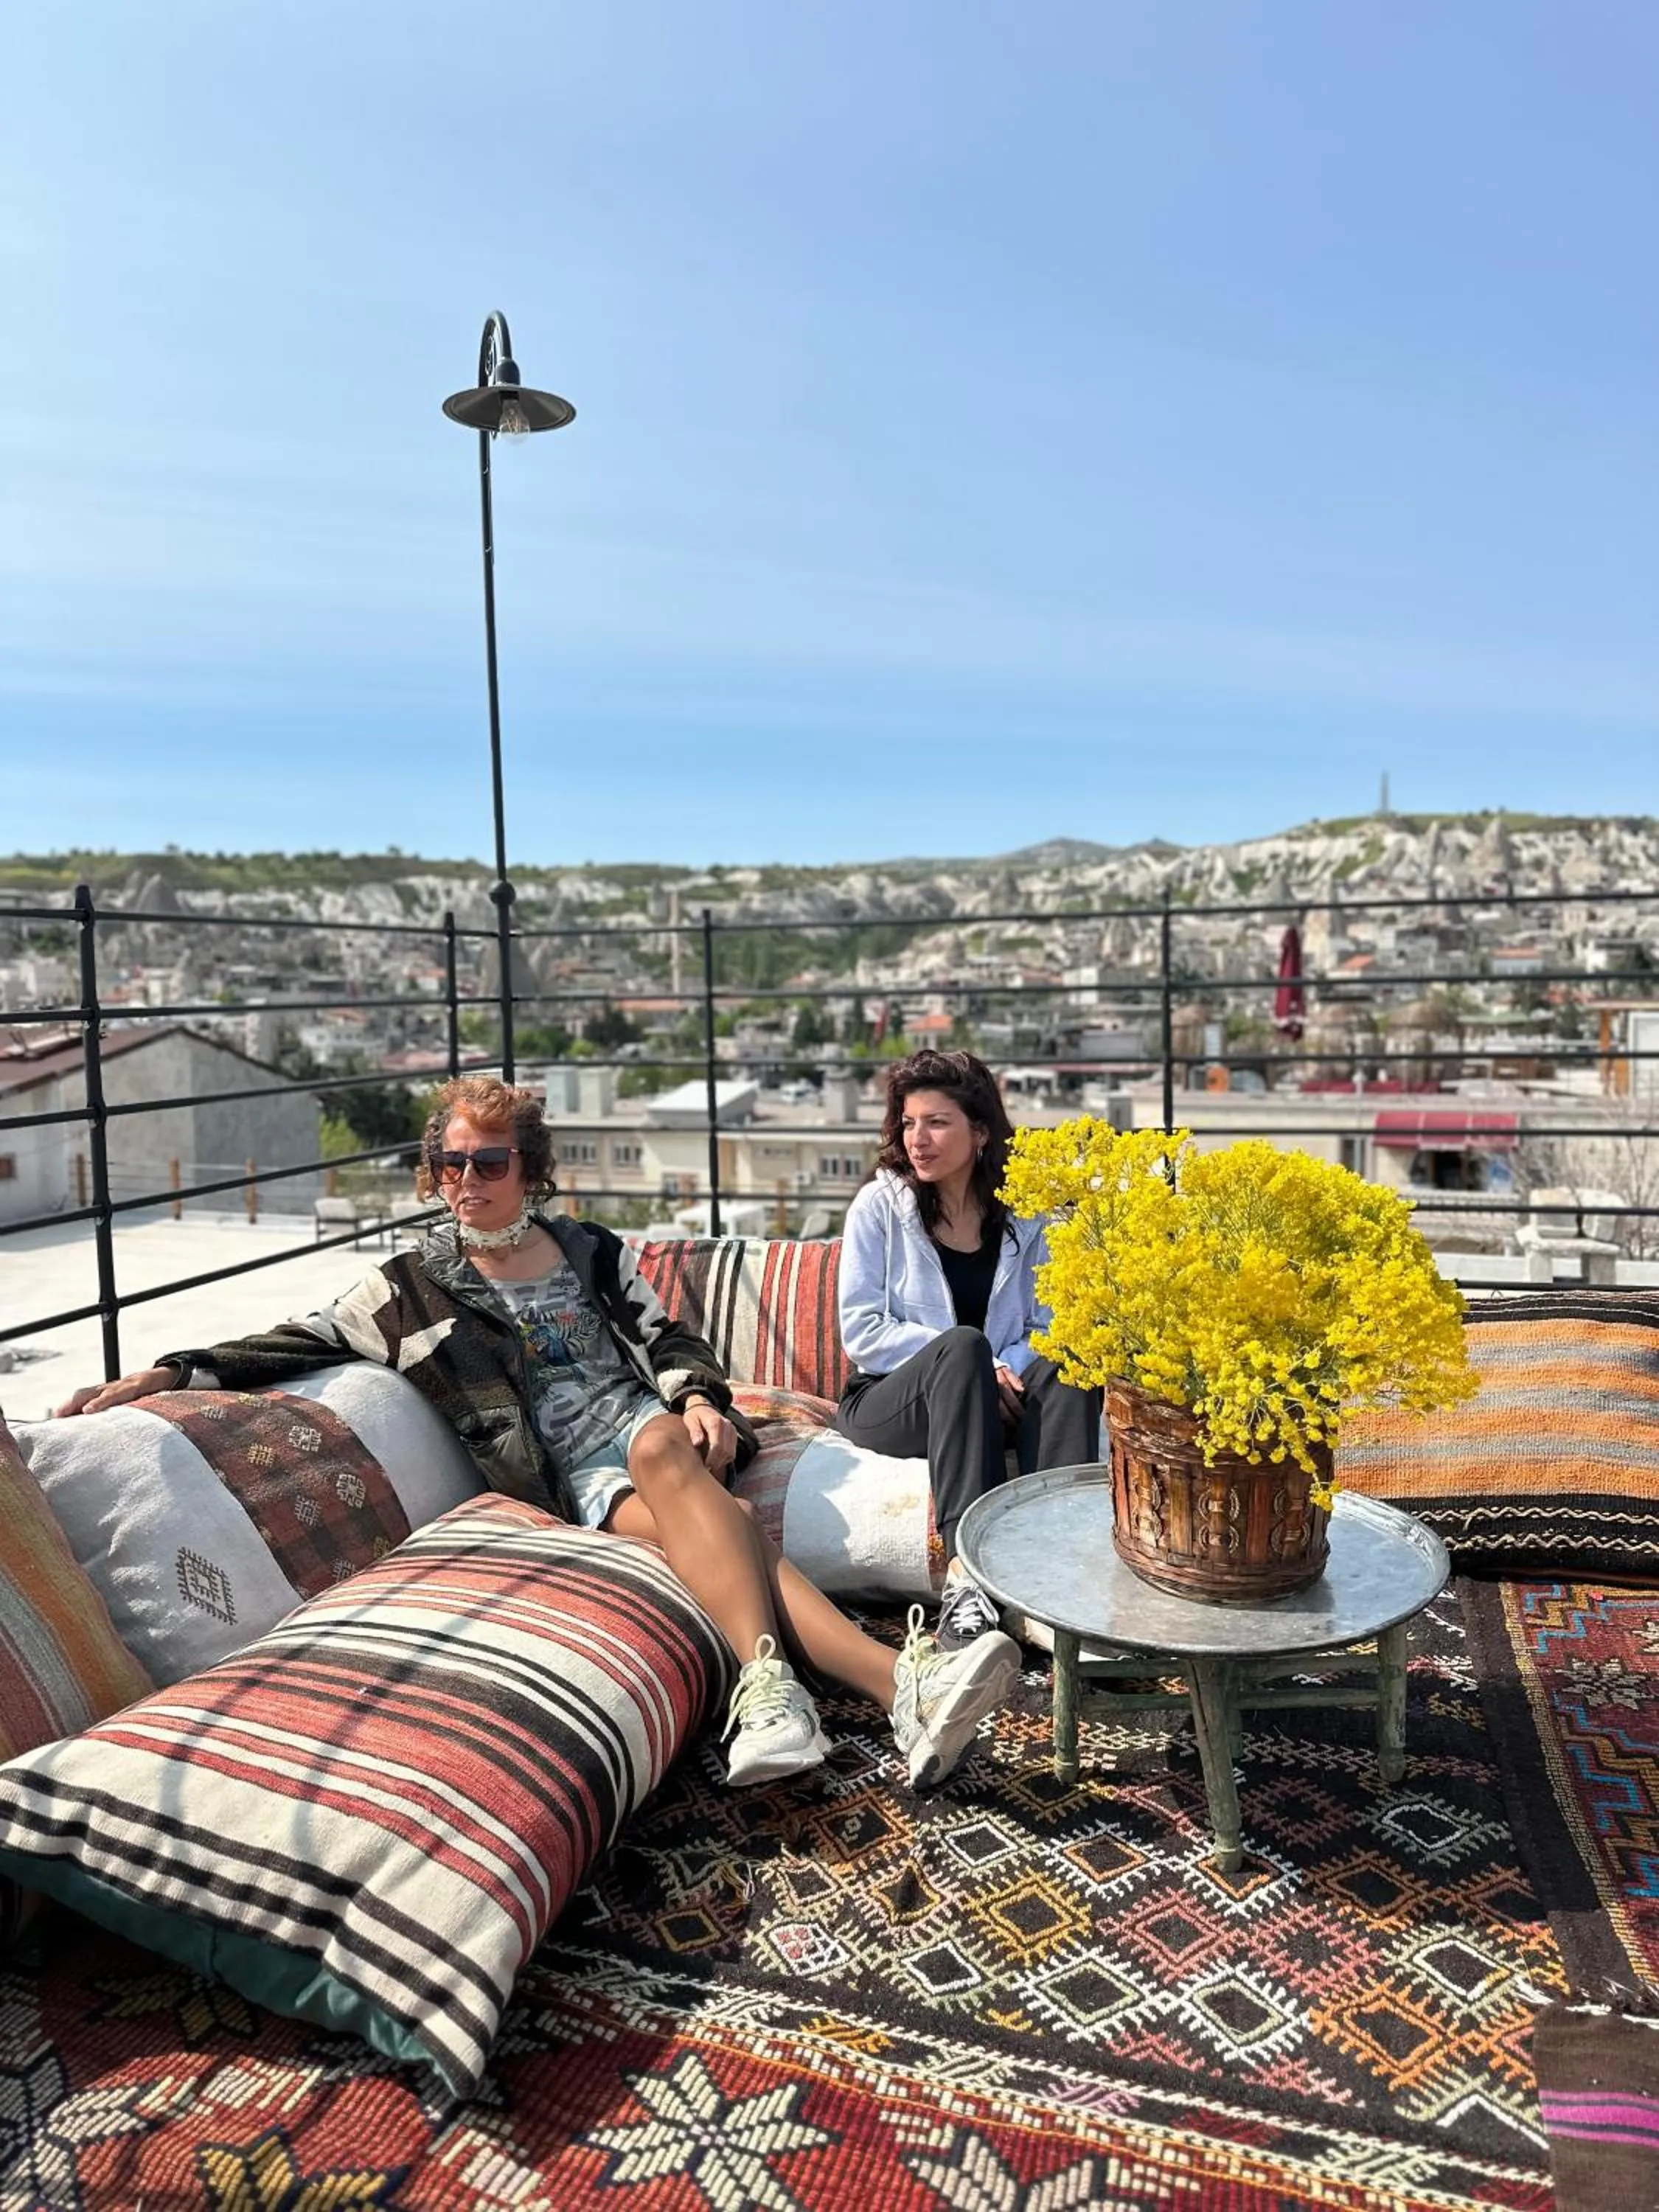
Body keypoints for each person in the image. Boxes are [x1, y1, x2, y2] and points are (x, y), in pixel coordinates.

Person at [58, 1075, 1020, 1793]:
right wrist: (175, 1369)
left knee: (656, 1452)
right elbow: (295, 1339)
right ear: (433, 1174)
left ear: (529, 1171)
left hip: (644, 1433)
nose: (467, 1181)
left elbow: (669, 1334)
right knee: (732, 1549)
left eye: (490, 1162)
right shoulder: (404, 1287)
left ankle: (774, 1686)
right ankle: (902, 1682)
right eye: (451, 1164)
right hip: (569, 1486)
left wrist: (696, 1401)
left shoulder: (589, 1254)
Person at [835, 1050, 1099, 1648]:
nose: (917, 1139)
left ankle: (1055, 1574)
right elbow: (863, 1331)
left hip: (1000, 1398)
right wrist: (984, 1361)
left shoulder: (1031, 1216)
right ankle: (968, 1580)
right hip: (892, 1402)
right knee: (961, 1348)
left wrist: (1007, 1370)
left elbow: (1051, 1321)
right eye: (908, 1123)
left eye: (936, 1122)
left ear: (980, 1132)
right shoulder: (880, 1208)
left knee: (1073, 1356)